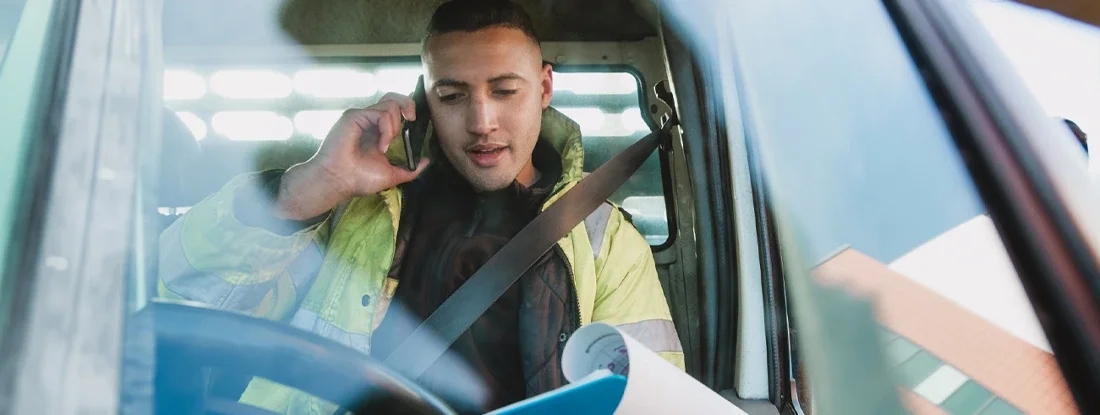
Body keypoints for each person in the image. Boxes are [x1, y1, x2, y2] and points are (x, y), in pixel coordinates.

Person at [157, 0, 683, 413]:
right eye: (452, 96)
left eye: (504, 91)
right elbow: (186, 295)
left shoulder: (605, 240)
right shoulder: (355, 209)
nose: (482, 122)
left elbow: (653, 402)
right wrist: (311, 186)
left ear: (544, 88)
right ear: (425, 99)